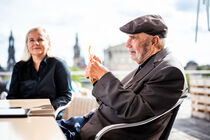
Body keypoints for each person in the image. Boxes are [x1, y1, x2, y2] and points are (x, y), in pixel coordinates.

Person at [58, 14, 188, 140]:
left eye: (133, 38)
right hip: (90, 122)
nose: (127, 44)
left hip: (101, 132)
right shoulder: (151, 64)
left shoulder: (170, 71)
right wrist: (97, 78)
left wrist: (104, 76)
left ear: (154, 41)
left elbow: (136, 111)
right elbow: (118, 101)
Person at [7, 27, 72, 119]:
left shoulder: (59, 65)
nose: (36, 43)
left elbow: (66, 95)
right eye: (31, 40)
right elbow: (12, 96)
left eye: (40, 39)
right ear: (27, 45)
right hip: (23, 116)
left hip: (50, 117)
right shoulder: (19, 67)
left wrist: (51, 107)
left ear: (48, 43)